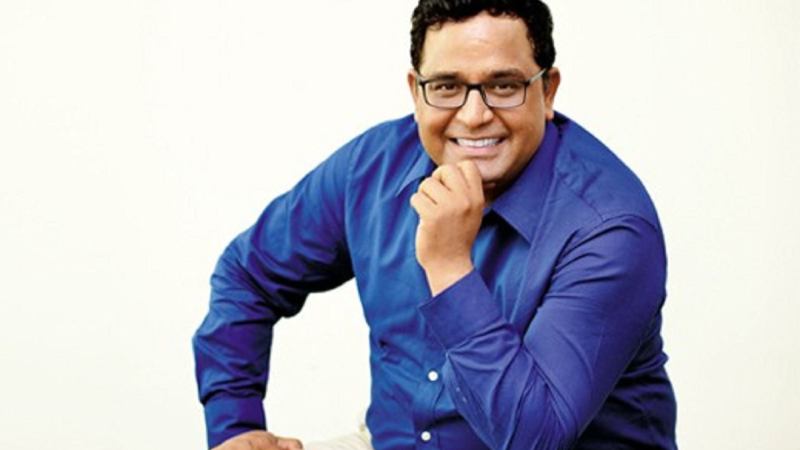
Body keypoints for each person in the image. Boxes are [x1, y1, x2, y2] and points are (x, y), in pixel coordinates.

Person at [193, 0, 678, 449]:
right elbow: (248, 275)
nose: (474, 115)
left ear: (547, 91)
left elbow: (536, 438)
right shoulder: (372, 169)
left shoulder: (610, 228)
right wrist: (236, 427)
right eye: (447, 86)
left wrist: (448, 266)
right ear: (416, 91)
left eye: (503, 86)